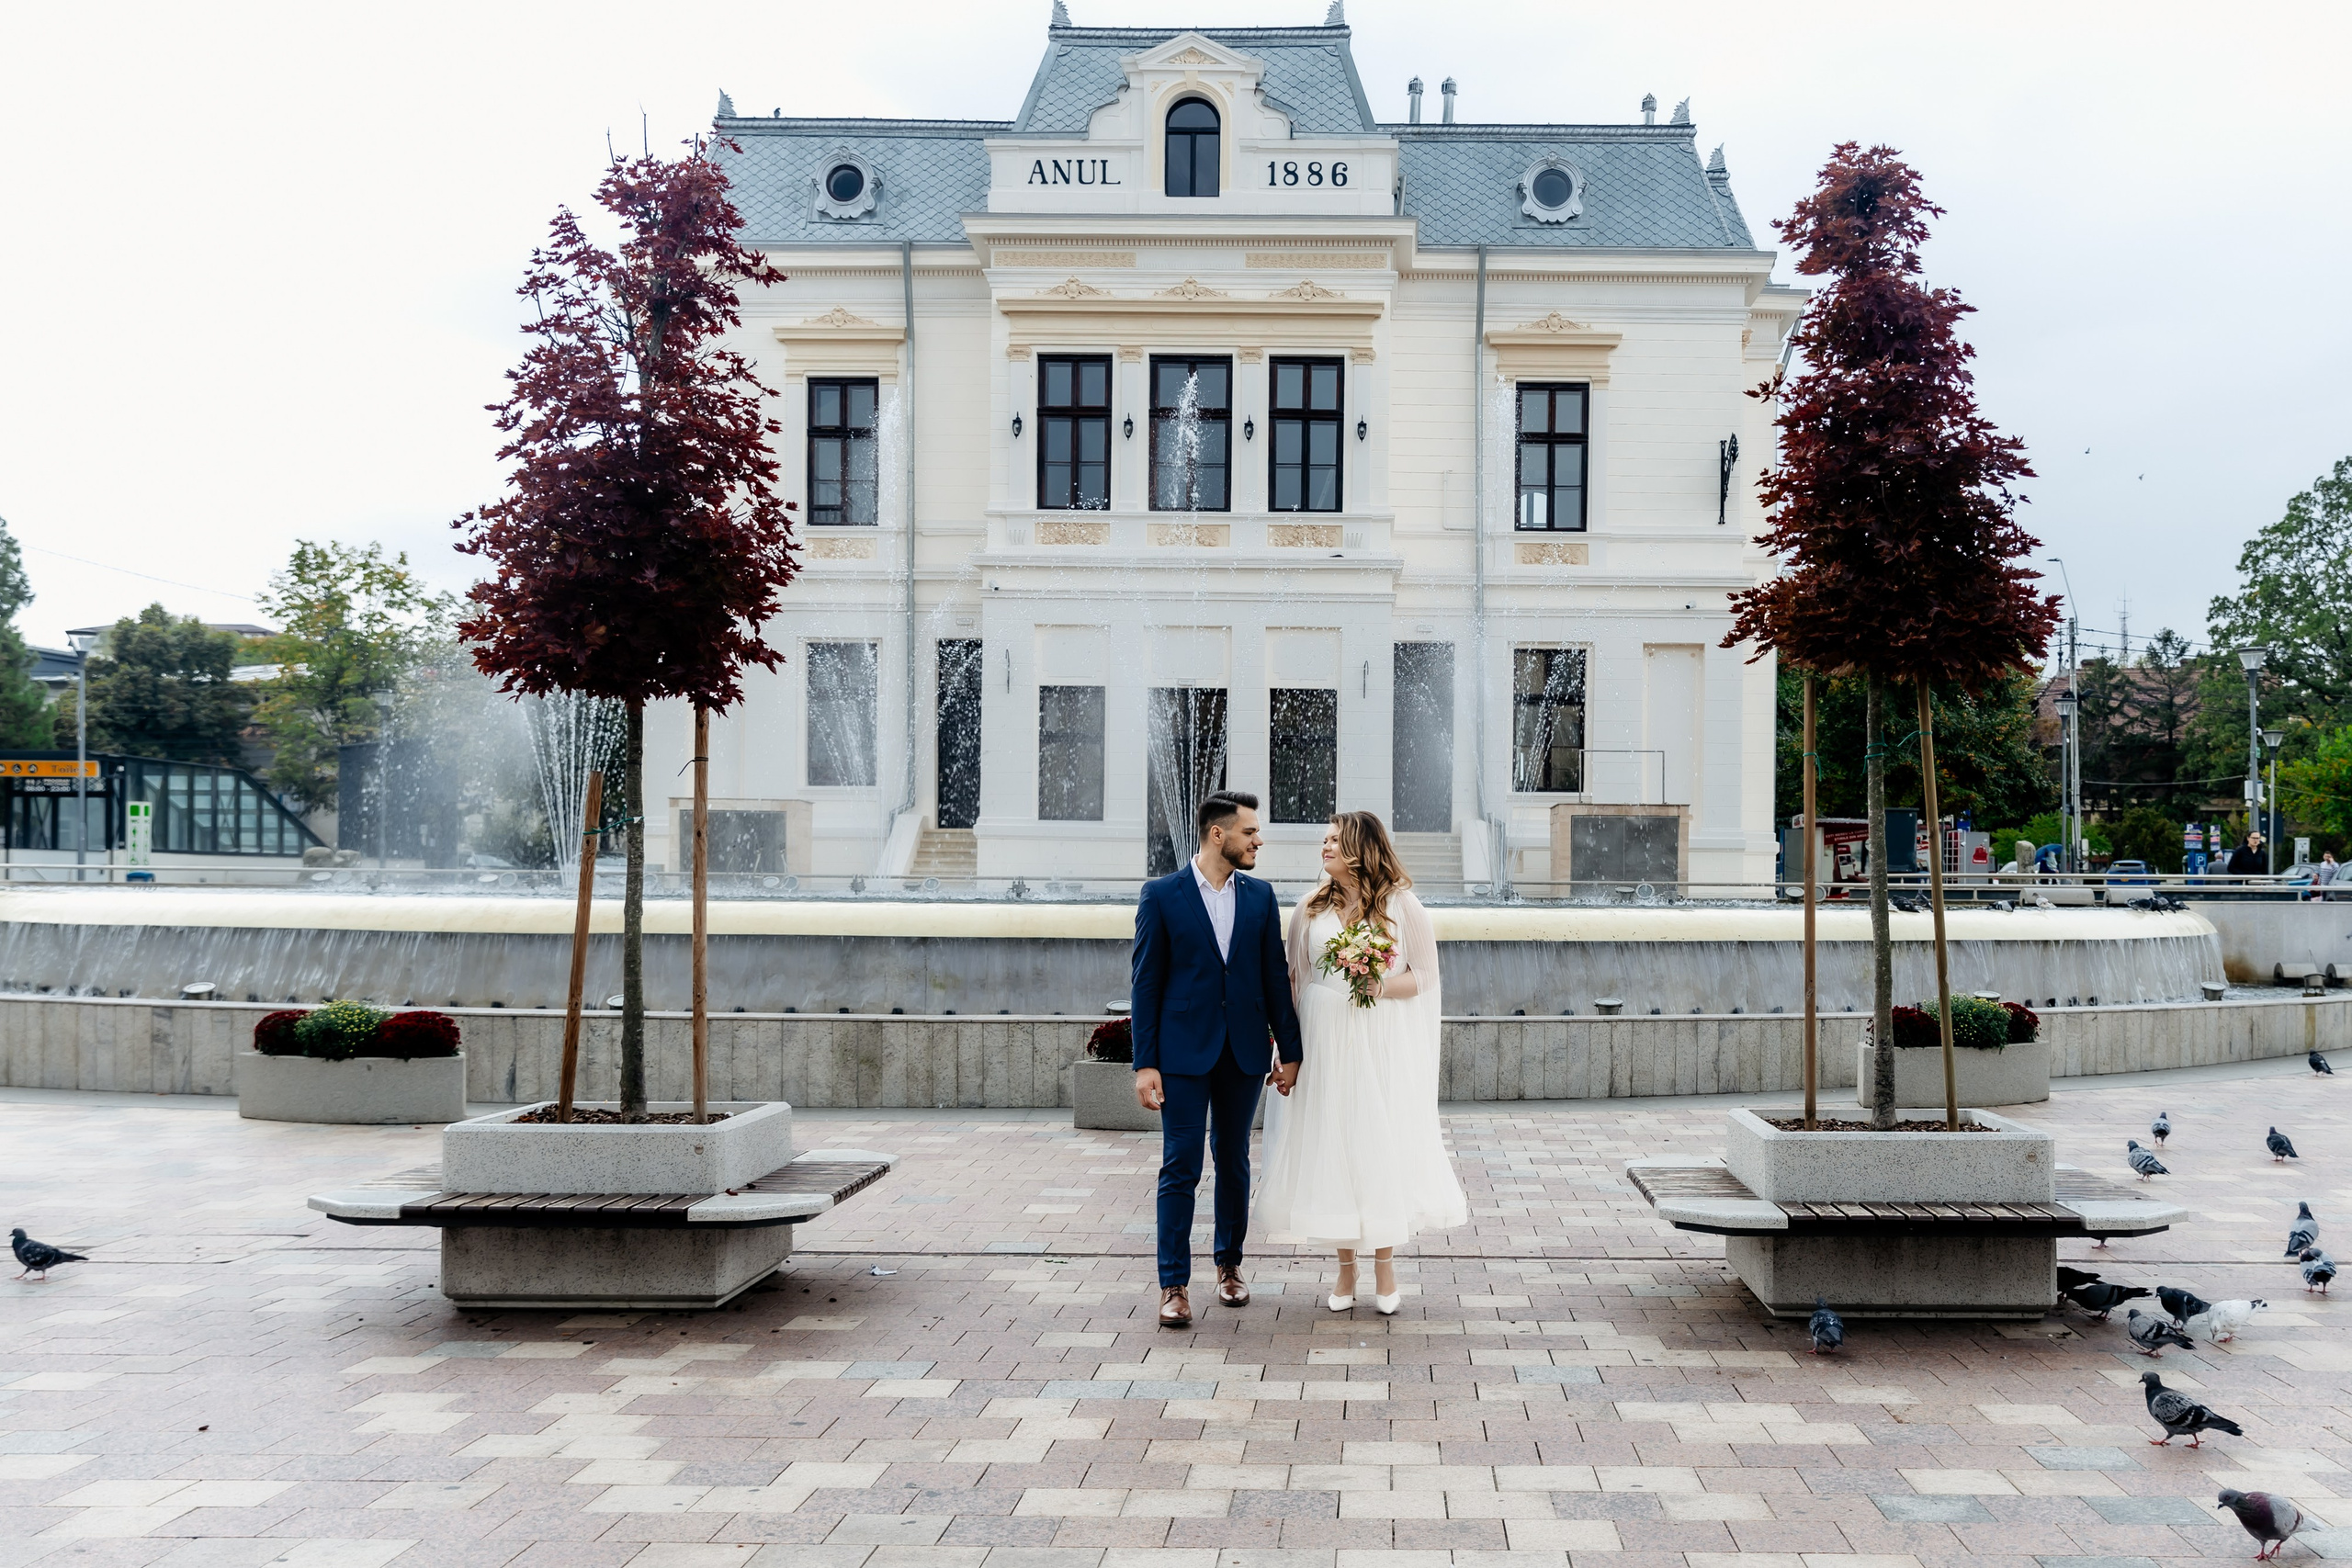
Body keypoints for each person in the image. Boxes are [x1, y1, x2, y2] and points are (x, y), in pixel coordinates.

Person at [1255, 811, 1468, 1314]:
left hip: (1378, 1040)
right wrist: (1285, 1050)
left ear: (1360, 847)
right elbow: (1293, 981)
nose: (1324, 848)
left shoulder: (1401, 905)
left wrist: (1380, 985)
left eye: (1333, 840)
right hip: (1324, 1037)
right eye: (1323, 840)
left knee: (1379, 1144)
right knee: (1335, 1146)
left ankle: (1385, 1267)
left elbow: (1426, 976)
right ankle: (1346, 1267)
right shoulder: (1308, 909)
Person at [1130, 790, 1302, 1328]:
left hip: (1245, 1050)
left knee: (1233, 1160)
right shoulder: (1161, 894)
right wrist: (1145, 1063)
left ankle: (1230, 1266)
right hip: (1182, 1052)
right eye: (1250, 832)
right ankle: (1173, 1284)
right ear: (1217, 835)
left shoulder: (1260, 895)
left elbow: (1275, 978)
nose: (1258, 841)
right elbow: (1146, 983)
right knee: (1181, 1163)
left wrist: (1290, 1051)